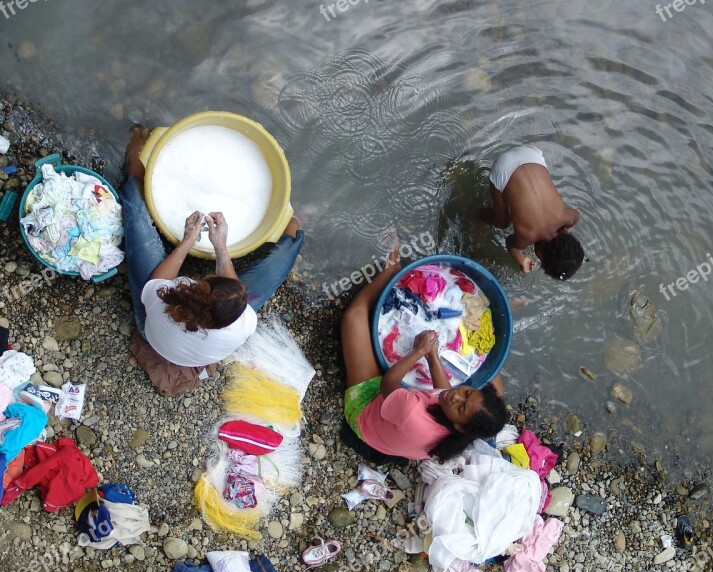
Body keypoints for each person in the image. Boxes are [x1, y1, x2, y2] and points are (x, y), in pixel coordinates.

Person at [119, 126, 304, 367]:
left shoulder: (164, 302)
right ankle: (297, 216)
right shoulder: (241, 324)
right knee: (290, 240)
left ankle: (136, 147)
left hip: (152, 332)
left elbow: (158, 282)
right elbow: (234, 290)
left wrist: (187, 241)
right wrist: (220, 247)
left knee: (134, 199)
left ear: (197, 286)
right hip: (194, 347)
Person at [340, 241, 507, 462]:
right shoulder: (457, 431)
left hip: (366, 409)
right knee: (491, 383)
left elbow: (387, 384)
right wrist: (432, 354)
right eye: (467, 392)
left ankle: (391, 270)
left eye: (461, 407)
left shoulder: (413, 413)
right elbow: (443, 394)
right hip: (398, 421)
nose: (456, 395)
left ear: (459, 426)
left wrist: (418, 352)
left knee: (355, 316)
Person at [480, 145, 585, 279]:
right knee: (502, 223)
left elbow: (576, 214)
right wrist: (521, 260)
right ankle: (476, 214)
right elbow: (511, 244)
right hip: (502, 167)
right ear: (540, 254)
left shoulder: (565, 217)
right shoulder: (527, 236)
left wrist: (565, 228)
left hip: (531, 155)